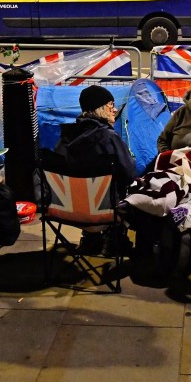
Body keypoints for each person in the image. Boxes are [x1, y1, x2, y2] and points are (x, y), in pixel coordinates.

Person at [54, 85, 136, 255]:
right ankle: (114, 239)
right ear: (100, 108)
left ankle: (91, 240)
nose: (114, 109)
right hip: (104, 212)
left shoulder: (66, 136)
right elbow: (128, 174)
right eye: (111, 105)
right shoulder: (108, 137)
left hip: (65, 210)